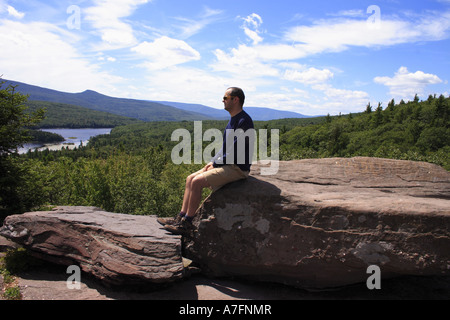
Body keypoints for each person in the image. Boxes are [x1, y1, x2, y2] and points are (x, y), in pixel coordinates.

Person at [159, 87, 254, 235]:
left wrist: (216, 164)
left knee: (197, 182)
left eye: (225, 97)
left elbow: (236, 151)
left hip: (237, 168)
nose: (222, 100)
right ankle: (180, 217)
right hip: (227, 163)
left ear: (236, 99)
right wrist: (212, 162)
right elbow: (224, 148)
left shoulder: (244, 121)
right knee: (190, 178)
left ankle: (187, 224)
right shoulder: (234, 119)